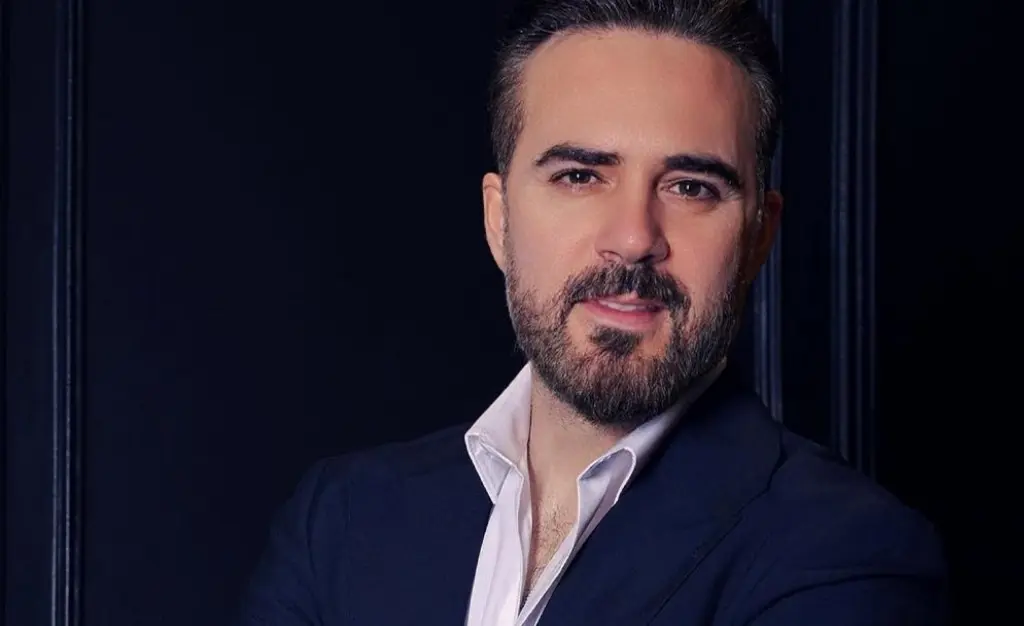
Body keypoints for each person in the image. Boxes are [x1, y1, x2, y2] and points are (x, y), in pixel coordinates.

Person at [236, 0, 948, 624]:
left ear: (759, 236)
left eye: (691, 187)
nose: (634, 237)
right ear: (499, 220)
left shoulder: (845, 555)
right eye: (580, 176)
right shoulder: (340, 523)